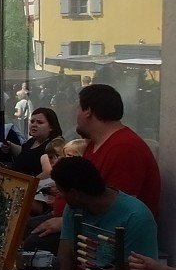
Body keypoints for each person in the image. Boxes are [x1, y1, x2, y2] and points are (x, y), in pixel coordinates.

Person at [32, 84, 160, 241]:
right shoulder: (94, 144)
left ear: (88, 111)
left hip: (103, 236)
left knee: (34, 241)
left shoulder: (125, 148)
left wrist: (65, 222)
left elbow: (117, 212)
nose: (75, 115)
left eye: (78, 108)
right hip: (79, 223)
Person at [51, 157, 159, 270]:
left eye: (61, 191)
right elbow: (65, 254)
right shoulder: (74, 208)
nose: (59, 196)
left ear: (74, 193)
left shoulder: (136, 216)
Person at [5, 107, 62, 176]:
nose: (34, 125)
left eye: (39, 122)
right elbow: (26, 153)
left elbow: (48, 171)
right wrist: (10, 145)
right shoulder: (32, 141)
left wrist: (31, 184)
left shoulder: (52, 146)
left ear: (51, 127)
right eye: (32, 122)